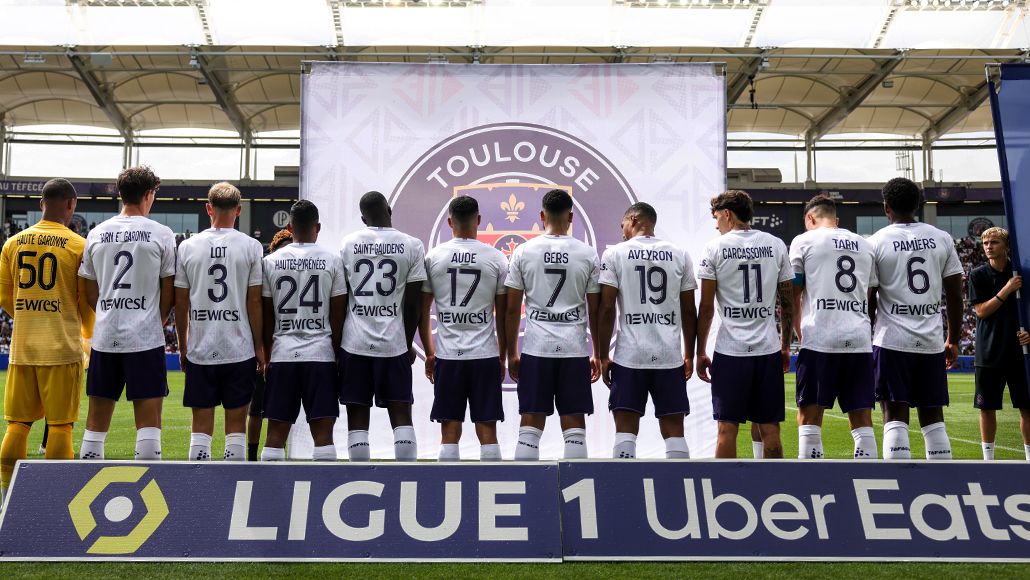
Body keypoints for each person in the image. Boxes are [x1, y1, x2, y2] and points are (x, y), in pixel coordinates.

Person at [0, 179, 95, 504]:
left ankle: (6, 500)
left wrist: (31, 315)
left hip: (23, 348)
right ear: (71, 205)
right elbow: (86, 302)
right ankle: (55, 501)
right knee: (60, 427)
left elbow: (5, 298)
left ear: (42, 203)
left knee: (17, 425)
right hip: (62, 349)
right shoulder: (78, 245)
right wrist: (86, 334)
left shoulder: (12, 243)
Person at [77, 166, 176, 461]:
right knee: (149, 421)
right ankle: (148, 492)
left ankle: (88, 482)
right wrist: (154, 319)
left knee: (96, 421)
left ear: (121, 194)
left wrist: (109, 311)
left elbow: (88, 291)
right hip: (145, 337)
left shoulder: (96, 233)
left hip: (106, 336)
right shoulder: (162, 234)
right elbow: (168, 290)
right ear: (149, 195)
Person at [868, 177, 964, 460]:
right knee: (933, 416)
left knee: (894, 414)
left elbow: (869, 298)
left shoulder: (876, 242)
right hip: (931, 341)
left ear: (887, 208)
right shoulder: (941, 238)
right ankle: (942, 488)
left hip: (891, 341)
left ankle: (899, 491)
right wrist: (953, 339)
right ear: (919, 205)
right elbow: (956, 295)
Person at [695, 190, 794, 459]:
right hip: (767, 349)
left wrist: (700, 351)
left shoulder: (714, 248)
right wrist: (785, 345)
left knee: (727, 430)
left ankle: (720, 494)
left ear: (727, 214)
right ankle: (775, 491)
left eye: (717, 217)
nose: (716, 224)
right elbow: (786, 302)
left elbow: (705, 308)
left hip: (730, 351)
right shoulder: (775, 244)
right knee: (770, 430)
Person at [504, 189, 601, 460]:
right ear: (571, 217)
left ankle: (526, 490)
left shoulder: (524, 251)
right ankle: (575, 493)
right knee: (574, 424)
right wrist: (598, 352)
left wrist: (512, 352)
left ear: (541, 216)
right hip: (573, 349)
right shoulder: (587, 253)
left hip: (537, 348)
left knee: (531, 422)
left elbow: (512, 309)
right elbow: (596, 309)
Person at [596, 202, 696, 459]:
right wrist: (690, 354)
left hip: (630, 355)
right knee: (675, 431)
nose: (622, 232)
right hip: (668, 355)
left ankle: (623, 491)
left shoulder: (615, 254)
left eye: (623, 226)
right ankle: (678, 489)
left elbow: (607, 309)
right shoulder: (679, 253)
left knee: (625, 431)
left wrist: (602, 354)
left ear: (633, 219)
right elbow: (688, 311)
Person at [174, 182, 265, 461]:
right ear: (238, 210)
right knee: (236, 426)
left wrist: (183, 345)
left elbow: (181, 302)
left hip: (201, 347)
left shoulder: (188, 246)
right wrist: (259, 345)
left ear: (208, 208)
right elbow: (254, 302)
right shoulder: (251, 246)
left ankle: (200, 489)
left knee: (200, 428)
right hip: (239, 347)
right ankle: (233, 489)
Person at [339, 191, 427, 461]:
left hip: (354, 342)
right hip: (393, 343)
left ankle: (358, 476)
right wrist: (406, 342)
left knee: (357, 414)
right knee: (401, 413)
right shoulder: (412, 245)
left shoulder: (349, 243)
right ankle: (407, 480)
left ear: (363, 218)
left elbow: (342, 298)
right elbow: (413, 304)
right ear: (389, 209)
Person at [788, 194, 878, 459]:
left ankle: (812, 483)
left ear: (810, 218)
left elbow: (793, 292)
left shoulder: (803, 241)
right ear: (836, 220)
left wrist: (798, 330)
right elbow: (869, 292)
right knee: (862, 419)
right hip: (859, 340)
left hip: (820, 338)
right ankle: (868, 483)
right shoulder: (864, 244)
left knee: (810, 418)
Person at [419, 195, 508, 461]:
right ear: (478, 220)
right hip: (485, 355)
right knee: (488, 429)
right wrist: (502, 355)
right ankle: (494, 490)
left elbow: (422, 309)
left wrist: (430, 352)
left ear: (449, 222)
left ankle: (447, 494)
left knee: (449, 430)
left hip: (449, 355)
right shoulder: (496, 258)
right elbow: (504, 315)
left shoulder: (434, 257)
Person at [260, 200, 347, 462]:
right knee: (323, 437)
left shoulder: (270, 262)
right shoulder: (332, 260)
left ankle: (270, 499)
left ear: (289, 227)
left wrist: (267, 354)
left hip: (283, 354)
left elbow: (266, 315)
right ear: (317, 227)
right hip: (320, 354)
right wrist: (335, 352)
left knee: (275, 435)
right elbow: (338, 315)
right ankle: (323, 495)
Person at [968, 226, 1030, 460]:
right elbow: (982, 311)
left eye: (994, 242)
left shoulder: (1021, 272)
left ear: (1006, 246)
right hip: (989, 352)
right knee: (987, 408)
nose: (988, 247)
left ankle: (1028, 459)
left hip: (1020, 353)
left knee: (1027, 408)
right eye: (985, 243)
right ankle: (988, 460)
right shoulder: (978, 275)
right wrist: (1007, 289)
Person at [247, 227, 293, 461]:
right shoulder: (265, 270)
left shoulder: (272, 268)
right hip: (270, 348)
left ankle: (273, 451)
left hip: (282, 348)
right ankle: (253, 456)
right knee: (256, 410)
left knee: (277, 409)